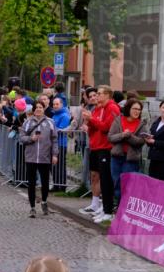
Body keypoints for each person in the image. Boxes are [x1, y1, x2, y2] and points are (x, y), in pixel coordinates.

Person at [80, 85, 120, 224]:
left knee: (106, 179)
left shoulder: (112, 108)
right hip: (96, 146)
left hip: (106, 147)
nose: (97, 96)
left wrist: (92, 120)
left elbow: (106, 128)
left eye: (99, 93)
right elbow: (93, 129)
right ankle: (102, 207)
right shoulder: (99, 108)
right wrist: (88, 122)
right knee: (97, 176)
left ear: (108, 95)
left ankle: (108, 210)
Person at [19, 100, 58, 218]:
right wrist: (32, 138)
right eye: (36, 108)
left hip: (44, 157)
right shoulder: (27, 122)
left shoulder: (50, 122)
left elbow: (54, 139)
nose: (38, 109)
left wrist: (55, 154)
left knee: (45, 183)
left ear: (44, 108)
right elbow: (21, 138)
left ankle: (44, 201)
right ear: (33, 110)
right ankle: (32, 207)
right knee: (31, 183)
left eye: (40, 107)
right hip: (30, 157)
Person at [108, 99, 148, 207]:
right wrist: (122, 135)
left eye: (139, 109)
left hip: (131, 159)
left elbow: (140, 141)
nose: (137, 111)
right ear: (128, 109)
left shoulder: (142, 124)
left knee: (127, 184)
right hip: (117, 157)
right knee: (117, 182)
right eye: (134, 108)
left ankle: (125, 208)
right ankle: (119, 206)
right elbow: (111, 137)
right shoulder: (118, 121)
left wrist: (129, 136)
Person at [50, 96, 71, 191]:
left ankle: (62, 186)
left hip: (61, 144)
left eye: (57, 104)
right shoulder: (54, 115)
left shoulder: (64, 116)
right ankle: (55, 184)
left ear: (61, 105)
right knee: (54, 165)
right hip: (53, 143)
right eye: (54, 104)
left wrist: (50, 130)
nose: (55, 106)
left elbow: (61, 130)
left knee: (60, 165)